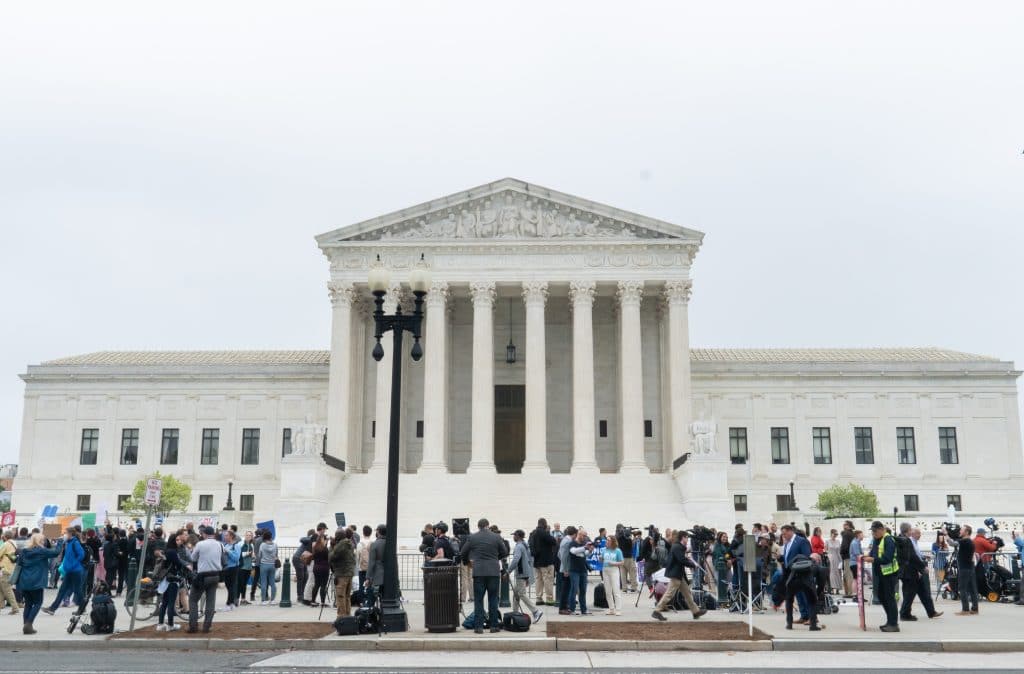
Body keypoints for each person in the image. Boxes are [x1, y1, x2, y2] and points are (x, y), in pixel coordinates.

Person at [460, 518, 506, 633]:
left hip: (479, 572)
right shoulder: (496, 537)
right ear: (488, 525)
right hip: (493, 572)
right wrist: (495, 558)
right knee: (493, 599)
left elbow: (463, 552)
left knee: (479, 600)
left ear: (478, 526)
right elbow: (504, 552)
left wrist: (467, 562)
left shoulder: (473, 537)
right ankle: (494, 626)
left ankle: (479, 627)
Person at [651, 530, 706, 622]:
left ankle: (695, 612)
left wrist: (686, 556)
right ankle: (657, 611)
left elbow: (681, 558)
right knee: (669, 594)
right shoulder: (677, 547)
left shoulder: (678, 546)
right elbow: (681, 560)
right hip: (676, 574)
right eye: (687, 537)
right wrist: (693, 565)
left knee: (687, 593)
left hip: (679, 574)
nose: (687, 539)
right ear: (683, 537)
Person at [15, 533, 59, 634]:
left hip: (24, 581)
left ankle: (26, 625)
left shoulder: (24, 551)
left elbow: (19, 565)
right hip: (37, 581)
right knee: (38, 603)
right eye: (43, 540)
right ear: (40, 541)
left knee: (28, 604)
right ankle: (29, 624)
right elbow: (56, 552)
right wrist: (60, 541)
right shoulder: (42, 551)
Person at [778, 524, 820, 631]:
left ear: (790, 531)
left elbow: (807, 556)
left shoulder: (801, 541)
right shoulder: (787, 543)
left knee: (807, 596)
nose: (783, 536)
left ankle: (812, 619)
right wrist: (782, 558)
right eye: (782, 534)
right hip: (791, 575)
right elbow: (789, 557)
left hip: (802, 574)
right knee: (798, 597)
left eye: (785, 533)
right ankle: (804, 616)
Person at [898, 523, 942, 621]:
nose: (911, 531)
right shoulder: (906, 541)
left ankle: (931, 612)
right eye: (910, 530)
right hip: (910, 572)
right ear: (908, 531)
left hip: (910, 571)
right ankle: (904, 614)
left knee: (923, 592)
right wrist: (922, 567)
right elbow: (912, 556)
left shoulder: (901, 539)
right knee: (909, 594)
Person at [862, 520, 900, 632]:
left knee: (890, 598)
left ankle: (893, 624)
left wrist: (872, 559)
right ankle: (889, 621)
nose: (873, 533)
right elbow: (874, 552)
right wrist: (866, 556)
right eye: (872, 531)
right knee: (881, 596)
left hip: (890, 574)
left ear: (882, 529)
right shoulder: (876, 539)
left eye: (875, 531)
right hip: (881, 574)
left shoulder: (889, 540)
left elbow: (887, 558)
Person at [42, 528, 87, 616]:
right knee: (62, 590)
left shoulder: (75, 543)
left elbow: (81, 554)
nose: (64, 534)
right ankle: (52, 608)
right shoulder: (68, 543)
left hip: (75, 571)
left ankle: (82, 609)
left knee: (77, 591)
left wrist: (73, 564)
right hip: (70, 571)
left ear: (70, 534)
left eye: (65, 533)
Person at [188, 526, 223, 633]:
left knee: (193, 600)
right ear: (213, 534)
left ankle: (193, 626)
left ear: (204, 534)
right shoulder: (219, 544)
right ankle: (207, 626)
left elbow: (193, 558)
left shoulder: (200, 544)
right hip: (215, 575)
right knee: (211, 601)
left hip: (202, 576)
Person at [509, 529, 543, 623]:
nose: (513, 537)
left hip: (521, 573)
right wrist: (528, 576)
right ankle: (515, 613)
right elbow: (528, 560)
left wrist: (508, 571)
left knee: (521, 594)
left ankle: (536, 611)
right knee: (516, 593)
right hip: (525, 572)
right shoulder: (525, 545)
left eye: (514, 535)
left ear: (518, 536)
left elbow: (516, 560)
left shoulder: (519, 547)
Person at [155, 535, 184, 631]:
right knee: (171, 603)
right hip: (172, 579)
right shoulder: (173, 552)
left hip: (165, 579)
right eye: (177, 540)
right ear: (173, 541)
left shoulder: (167, 550)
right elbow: (178, 564)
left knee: (165, 602)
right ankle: (170, 624)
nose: (179, 541)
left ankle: (160, 624)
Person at [529, 518, 557, 605]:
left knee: (538, 580)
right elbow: (553, 541)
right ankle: (549, 598)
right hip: (546, 561)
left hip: (536, 561)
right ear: (544, 524)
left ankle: (539, 598)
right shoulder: (543, 532)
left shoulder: (533, 533)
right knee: (548, 579)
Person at [329, 528, 356, 617]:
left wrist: (332, 546)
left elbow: (331, 557)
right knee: (347, 596)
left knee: (340, 596)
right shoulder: (349, 543)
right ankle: (348, 615)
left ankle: (341, 616)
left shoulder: (341, 545)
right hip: (349, 573)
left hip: (342, 574)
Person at [955, 524, 979, 615]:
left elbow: (953, 543)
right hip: (970, 567)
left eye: (961, 530)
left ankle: (965, 609)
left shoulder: (965, 541)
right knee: (972, 589)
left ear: (966, 532)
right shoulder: (970, 541)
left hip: (965, 568)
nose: (960, 531)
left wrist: (946, 534)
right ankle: (975, 609)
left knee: (962, 588)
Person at [567, 529, 591, 616]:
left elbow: (585, 554)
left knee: (583, 590)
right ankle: (571, 609)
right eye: (584, 536)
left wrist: (590, 550)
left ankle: (584, 610)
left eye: (586, 536)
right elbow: (573, 551)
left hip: (583, 570)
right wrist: (585, 547)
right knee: (574, 589)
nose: (585, 538)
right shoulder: (572, 543)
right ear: (579, 535)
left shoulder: (583, 544)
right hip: (574, 570)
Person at [556, 525, 578, 615]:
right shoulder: (567, 541)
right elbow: (564, 556)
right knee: (565, 589)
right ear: (575, 534)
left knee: (566, 589)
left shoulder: (564, 540)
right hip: (566, 569)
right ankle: (562, 608)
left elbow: (559, 554)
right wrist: (565, 569)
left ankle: (564, 606)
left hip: (565, 568)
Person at [601, 535, 624, 615]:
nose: (606, 542)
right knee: (607, 591)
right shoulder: (604, 550)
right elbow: (602, 560)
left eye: (608, 540)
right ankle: (611, 609)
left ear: (612, 541)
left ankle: (618, 609)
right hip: (605, 570)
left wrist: (613, 563)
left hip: (614, 570)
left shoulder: (617, 551)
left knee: (616, 590)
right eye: (606, 540)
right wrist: (600, 558)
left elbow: (622, 562)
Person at [364, 524, 386, 607]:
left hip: (377, 576)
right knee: (384, 601)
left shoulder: (375, 544)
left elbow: (371, 562)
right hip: (388, 577)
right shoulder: (390, 543)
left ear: (378, 532)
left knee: (371, 599)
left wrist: (368, 577)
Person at [0, 530, 20, 614]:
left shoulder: (6, 544)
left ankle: (15, 608)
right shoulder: (14, 543)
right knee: (1, 587)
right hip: (11, 568)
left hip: (5, 568)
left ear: (5, 536)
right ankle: (1, 604)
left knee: (7, 589)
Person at [257, 530, 279, 605]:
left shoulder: (262, 545)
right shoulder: (275, 545)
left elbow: (259, 555)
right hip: (272, 565)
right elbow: (276, 554)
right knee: (272, 582)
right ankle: (272, 600)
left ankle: (263, 600)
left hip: (263, 564)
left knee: (264, 583)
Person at [221, 530, 241, 611]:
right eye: (224, 535)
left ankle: (229, 603)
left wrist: (228, 552)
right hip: (226, 568)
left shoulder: (236, 545)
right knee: (228, 586)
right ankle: (232, 603)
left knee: (232, 586)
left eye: (226, 535)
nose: (225, 537)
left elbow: (236, 558)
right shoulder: (225, 544)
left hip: (233, 568)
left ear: (231, 536)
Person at [310, 534, 331, 607]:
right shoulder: (325, 549)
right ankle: (322, 602)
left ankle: (313, 601)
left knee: (316, 584)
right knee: (323, 585)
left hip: (316, 568)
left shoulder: (315, 547)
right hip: (324, 568)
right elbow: (328, 558)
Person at [615, 525, 638, 593]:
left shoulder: (619, 539)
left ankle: (624, 588)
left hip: (621, 558)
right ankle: (633, 587)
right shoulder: (629, 540)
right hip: (629, 558)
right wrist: (634, 538)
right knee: (632, 573)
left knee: (623, 574)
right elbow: (632, 545)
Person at [712, 531, 731, 602]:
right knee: (720, 583)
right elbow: (719, 555)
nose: (725, 538)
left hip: (726, 567)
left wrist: (729, 559)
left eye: (726, 537)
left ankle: (725, 598)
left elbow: (727, 554)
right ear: (720, 537)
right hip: (719, 566)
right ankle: (720, 600)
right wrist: (727, 560)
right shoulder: (717, 545)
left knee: (728, 582)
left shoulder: (727, 546)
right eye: (723, 537)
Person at [840, 520, 855, 596]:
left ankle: (849, 592)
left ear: (848, 525)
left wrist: (841, 552)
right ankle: (849, 591)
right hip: (852, 557)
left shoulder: (846, 534)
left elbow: (844, 546)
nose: (843, 526)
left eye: (845, 524)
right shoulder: (853, 534)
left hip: (847, 556)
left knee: (847, 574)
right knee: (850, 574)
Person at [825, 529, 842, 594]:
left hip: (837, 557)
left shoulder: (838, 541)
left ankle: (838, 589)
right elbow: (825, 550)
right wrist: (828, 557)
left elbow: (839, 551)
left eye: (836, 534)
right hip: (830, 558)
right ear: (831, 533)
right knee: (831, 573)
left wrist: (841, 560)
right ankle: (831, 588)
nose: (835, 535)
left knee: (838, 573)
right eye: (834, 534)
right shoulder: (827, 541)